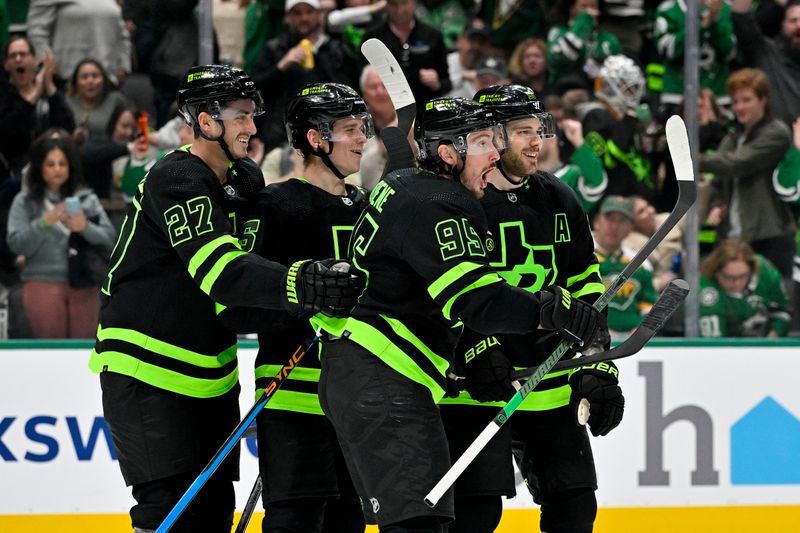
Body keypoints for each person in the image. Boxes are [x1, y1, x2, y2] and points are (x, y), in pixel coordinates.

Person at [87, 65, 363, 532]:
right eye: (240, 116)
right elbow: (221, 273)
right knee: (166, 510)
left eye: (253, 115)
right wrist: (303, 283)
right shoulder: (175, 178)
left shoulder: (245, 179)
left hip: (211, 372)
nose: (252, 127)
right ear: (206, 121)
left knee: (212, 514)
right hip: (146, 368)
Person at [313, 97, 604, 533]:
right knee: (420, 524)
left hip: (378, 375)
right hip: (382, 377)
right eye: (484, 141)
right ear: (449, 153)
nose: (494, 151)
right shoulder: (437, 203)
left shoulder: (412, 185)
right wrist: (550, 310)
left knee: (424, 522)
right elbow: (477, 300)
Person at [439, 85, 618, 533]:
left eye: (540, 130)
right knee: (477, 514)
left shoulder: (558, 198)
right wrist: (472, 347)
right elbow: (438, 290)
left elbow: (585, 284)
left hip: (549, 376)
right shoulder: (455, 202)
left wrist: (598, 361)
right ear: (492, 135)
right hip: (472, 386)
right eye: (523, 131)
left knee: (575, 507)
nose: (538, 142)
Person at [252, 82, 371, 533]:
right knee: (296, 522)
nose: (362, 138)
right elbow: (240, 307)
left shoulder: (368, 207)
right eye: (349, 129)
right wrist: (305, 297)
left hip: (356, 398)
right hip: (293, 395)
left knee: (350, 522)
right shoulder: (275, 205)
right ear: (316, 139)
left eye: (363, 127)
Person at [6, 135, 115, 338]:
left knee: (84, 351)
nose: (57, 169)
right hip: (42, 281)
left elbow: (110, 239)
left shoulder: (87, 199)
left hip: (85, 283)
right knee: (50, 349)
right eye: (50, 164)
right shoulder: (25, 202)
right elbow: (16, 244)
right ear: (40, 168)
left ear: (70, 167)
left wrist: (85, 227)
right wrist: (44, 222)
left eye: (62, 163)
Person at [700, 67, 794, 280]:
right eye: (735, 101)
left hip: (769, 236)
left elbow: (737, 163)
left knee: (772, 303)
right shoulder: (732, 138)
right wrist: (716, 203)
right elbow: (719, 181)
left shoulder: (777, 132)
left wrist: (690, 159)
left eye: (746, 100)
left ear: (763, 100)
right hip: (731, 239)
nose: (739, 107)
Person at [251, 0, 353, 152]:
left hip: (328, 134)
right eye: (297, 13)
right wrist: (281, 66)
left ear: (319, 15)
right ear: (287, 18)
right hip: (280, 137)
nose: (304, 18)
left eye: (309, 12)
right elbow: (253, 88)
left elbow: (348, 89)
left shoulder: (335, 49)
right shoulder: (274, 49)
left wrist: (318, 55)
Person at [592, 195, 658, 339]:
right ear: (597, 221)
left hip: (631, 342)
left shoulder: (641, 264)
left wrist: (640, 331)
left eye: (622, 221)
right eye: (610, 218)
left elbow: (649, 304)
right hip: (587, 340)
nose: (614, 226)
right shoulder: (577, 253)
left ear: (630, 228)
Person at [362, 0, 451, 104]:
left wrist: (437, 83)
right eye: (393, 4)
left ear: (414, 3)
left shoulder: (433, 35)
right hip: (386, 108)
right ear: (386, 4)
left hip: (425, 108)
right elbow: (362, 80)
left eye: (404, 3)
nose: (399, 10)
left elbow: (447, 83)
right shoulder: (372, 38)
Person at [699, 239, 791, 337]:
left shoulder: (767, 273)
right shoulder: (706, 288)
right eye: (729, 277)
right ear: (717, 273)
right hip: (727, 342)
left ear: (751, 270)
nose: (736, 283)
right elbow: (714, 344)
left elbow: (783, 311)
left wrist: (770, 342)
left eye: (742, 276)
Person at [26, 0, 131, 86]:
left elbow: (123, 34)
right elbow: (36, 32)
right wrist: (46, 64)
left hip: (107, 78)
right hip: (67, 79)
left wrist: (124, 66)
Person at [654, 0, 736, 109]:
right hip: (677, 95)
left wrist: (714, 19)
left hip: (717, 97)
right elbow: (668, 51)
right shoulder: (669, 9)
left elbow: (728, 52)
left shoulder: (725, 8)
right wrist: (701, 26)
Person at [731, 0, 800, 126]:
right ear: (782, 24)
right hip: (775, 142)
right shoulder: (764, 52)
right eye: (793, 21)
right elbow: (741, 18)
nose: (799, 26)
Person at [66, 58, 128, 142]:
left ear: (104, 80)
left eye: (95, 76)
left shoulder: (116, 100)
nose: (90, 81)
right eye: (84, 77)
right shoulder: (67, 103)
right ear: (76, 82)